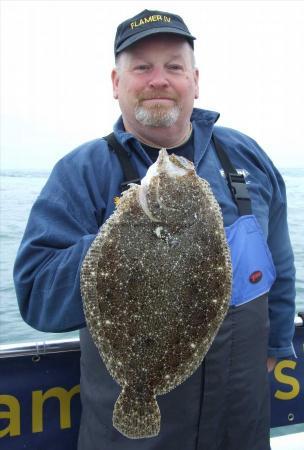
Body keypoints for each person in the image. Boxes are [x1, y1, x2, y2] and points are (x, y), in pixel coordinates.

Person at [13, 9, 296, 450]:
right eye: (142, 67)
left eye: (174, 66)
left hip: (241, 421)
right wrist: (127, 241)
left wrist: (277, 348)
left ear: (195, 80)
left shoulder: (248, 158)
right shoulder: (81, 172)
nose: (158, 79)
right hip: (128, 436)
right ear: (116, 83)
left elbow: (278, 266)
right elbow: (36, 295)